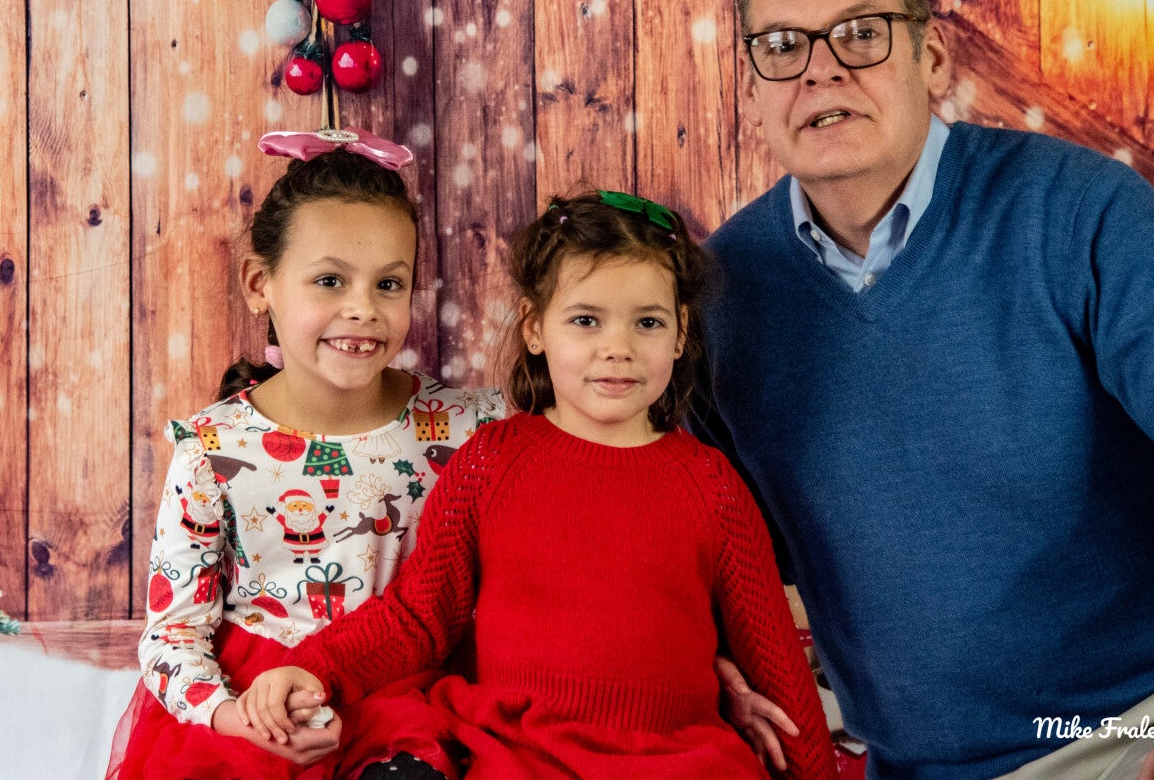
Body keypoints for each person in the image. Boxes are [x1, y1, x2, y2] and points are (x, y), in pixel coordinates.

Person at [699, 0, 1154, 780]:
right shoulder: (721, 293)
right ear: (752, 87)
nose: (821, 69)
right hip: (915, 765)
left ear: (930, 58)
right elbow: (695, 536)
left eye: (860, 32)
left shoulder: (1075, 211)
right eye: (781, 44)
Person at [239, 191, 838, 780]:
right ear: (534, 327)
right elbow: (419, 615)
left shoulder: (712, 484)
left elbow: (775, 659)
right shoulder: (489, 463)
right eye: (586, 320)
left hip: (679, 758)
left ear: (680, 334)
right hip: (518, 751)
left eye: (648, 322)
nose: (618, 349)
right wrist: (315, 668)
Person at [107, 128, 503, 780]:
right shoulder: (213, 450)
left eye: (389, 283)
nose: (363, 308)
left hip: (409, 699)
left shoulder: (469, 428)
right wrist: (235, 718)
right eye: (329, 280)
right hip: (256, 701)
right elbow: (173, 633)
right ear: (259, 282)